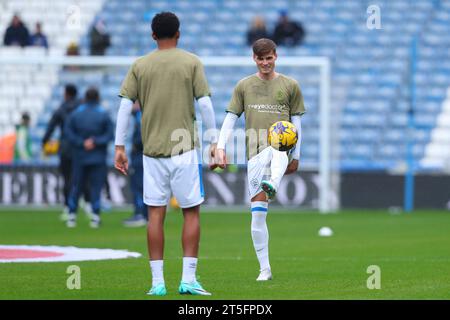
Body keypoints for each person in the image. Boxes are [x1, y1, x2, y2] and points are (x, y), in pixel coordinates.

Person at [114, 11, 217, 296]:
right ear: (179, 34)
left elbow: (124, 107)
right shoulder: (191, 62)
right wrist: (213, 141)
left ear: (153, 35)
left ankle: (157, 283)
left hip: (151, 152)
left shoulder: (140, 65)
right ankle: (188, 280)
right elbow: (206, 105)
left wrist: (119, 147)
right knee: (191, 213)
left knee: (155, 216)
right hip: (184, 151)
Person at [215, 38, 305, 281]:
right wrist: (220, 147)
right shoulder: (244, 86)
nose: (265, 63)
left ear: (276, 56)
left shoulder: (290, 85)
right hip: (253, 153)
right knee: (257, 214)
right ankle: (264, 268)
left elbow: (296, 122)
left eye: (269, 58)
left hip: (281, 148)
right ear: (254, 59)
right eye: (261, 58)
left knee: (279, 139)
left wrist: (297, 154)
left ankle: (274, 182)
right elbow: (231, 117)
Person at [41, 84, 93, 219]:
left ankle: (68, 206)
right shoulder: (83, 108)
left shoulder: (61, 109)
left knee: (67, 178)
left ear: (66, 94)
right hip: (81, 147)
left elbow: (51, 126)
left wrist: (44, 142)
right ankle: (88, 204)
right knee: (84, 176)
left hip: (66, 148)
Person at [65, 87, 114, 228]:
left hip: (80, 156)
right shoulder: (103, 113)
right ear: (98, 97)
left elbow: (68, 133)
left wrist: (82, 142)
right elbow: (109, 134)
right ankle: (95, 217)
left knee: (76, 186)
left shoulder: (76, 113)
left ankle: (72, 215)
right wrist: (96, 141)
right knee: (96, 187)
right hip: (98, 157)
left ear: (85, 97)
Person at [122, 101, 148, 227]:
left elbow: (143, 136)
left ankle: (140, 214)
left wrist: (135, 145)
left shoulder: (140, 116)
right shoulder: (142, 116)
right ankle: (145, 214)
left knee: (138, 186)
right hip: (143, 156)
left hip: (140, 156)